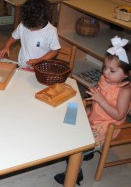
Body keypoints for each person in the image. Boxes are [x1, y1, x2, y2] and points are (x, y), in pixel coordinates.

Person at [54, 36, 131, 186]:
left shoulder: (125, 91)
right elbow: (99, 88)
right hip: (95, 116)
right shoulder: (106, 77)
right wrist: (94, 92)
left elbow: (119, 115)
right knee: (69, 118)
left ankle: (74, 172)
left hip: (107, 127)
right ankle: (78, 150)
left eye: (112, 70)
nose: (106, 73)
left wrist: (100, 100)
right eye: (105, 67)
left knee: (79, 142)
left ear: (127, 74)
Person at [0, 0, 61, 68]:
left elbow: (55, 50)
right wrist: (6, 45)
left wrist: (40, 60)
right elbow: (14, 37)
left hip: (40, 68)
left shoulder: (51, 31)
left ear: (43, 21)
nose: (30, 29)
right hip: (22, 64)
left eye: (33, 27)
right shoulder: (23, 24)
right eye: (28, 26)